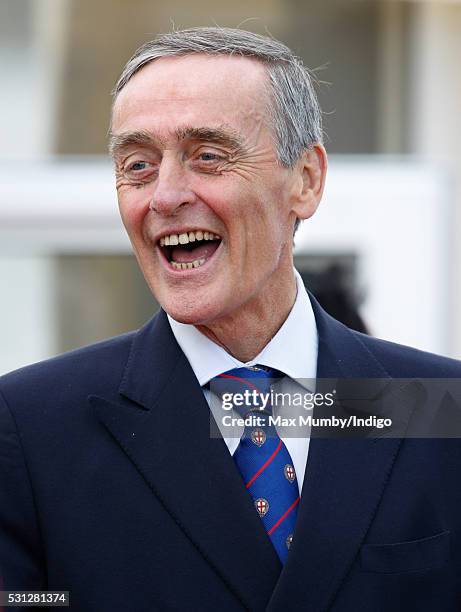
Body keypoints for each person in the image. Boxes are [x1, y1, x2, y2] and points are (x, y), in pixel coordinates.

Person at [1, 27, 461, 612]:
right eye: (138, 165)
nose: (165, 196)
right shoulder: (31, 429)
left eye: (208, 156)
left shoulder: (434, 411)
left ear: (307, 180)